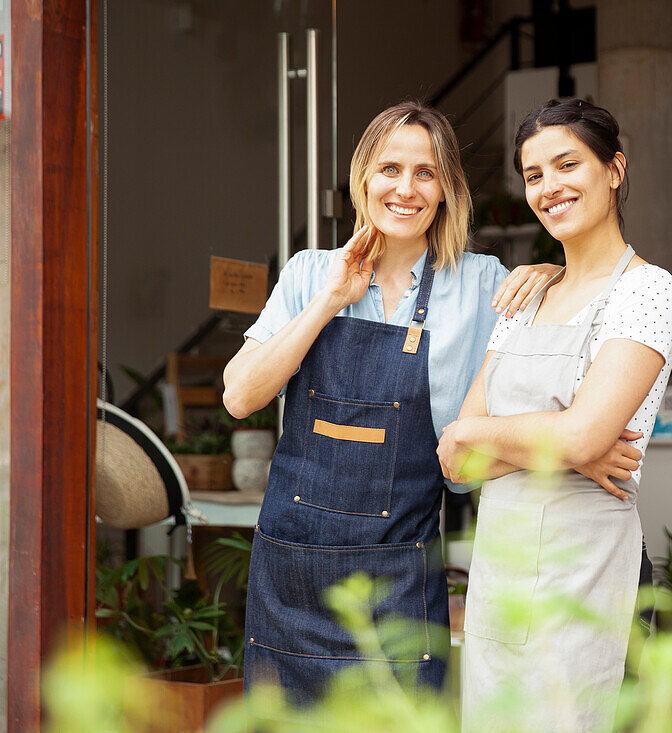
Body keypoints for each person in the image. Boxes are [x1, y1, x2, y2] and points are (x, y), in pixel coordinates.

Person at [222, 101, 586, 704]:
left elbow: (569, 352)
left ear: (446, 189)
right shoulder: (311, 273)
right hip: (294, 574)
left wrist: (555, 274)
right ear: (364, 177)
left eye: (425, 172)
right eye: (390, 168)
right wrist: (331, 299)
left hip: (401, 576)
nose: (406, 189)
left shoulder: (483, 283)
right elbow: (240, 396)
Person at [437, 98, 672, 731]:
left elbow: (572, 435)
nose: (549, 187)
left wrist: (481, 430)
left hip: (590, 574)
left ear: (615, 169)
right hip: (502, 572)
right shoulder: (527, 294)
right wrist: (565, 443)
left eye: (567, 164)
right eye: (534, 174)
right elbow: (458, 464)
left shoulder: (648, 291)